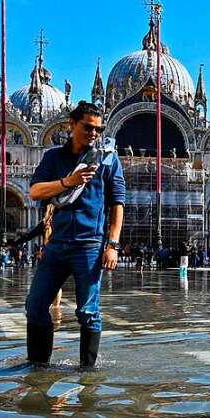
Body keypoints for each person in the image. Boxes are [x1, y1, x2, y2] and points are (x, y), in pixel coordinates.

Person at [22, 101, 125, 368]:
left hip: (90, 245)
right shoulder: (53, 157)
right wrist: (68, 182)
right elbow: (34, 192)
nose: (94, 134)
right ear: (72, 124)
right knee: (35, 306)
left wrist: (112, 244)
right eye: (88, 127)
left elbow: (118, 203)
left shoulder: (107, 159)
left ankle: (87, 373)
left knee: (88, 312)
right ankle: (38, 367)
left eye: (98, 129)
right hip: (56, 245)